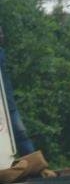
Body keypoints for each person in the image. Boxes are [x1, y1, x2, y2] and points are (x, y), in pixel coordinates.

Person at [0, 25, 35, 156]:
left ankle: (33, 164)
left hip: (8, 102)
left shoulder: (1, 52)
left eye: (2, 34)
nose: (2, 37)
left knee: (20, 133)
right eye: (0, 34)